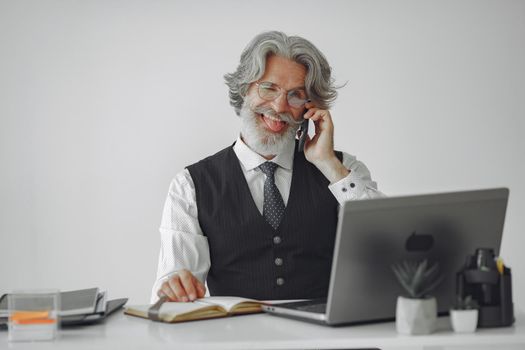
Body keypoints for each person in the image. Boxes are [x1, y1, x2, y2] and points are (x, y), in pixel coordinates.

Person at [151, 31, 384, 304]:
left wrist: (329, 164)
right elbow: (170, 294)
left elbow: (387, 246)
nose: (279, 106)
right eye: (269, 88)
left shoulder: (342, 170)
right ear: (244, 88)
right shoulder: (190, 185)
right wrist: (176, 288)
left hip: (327, 341)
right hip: (239, 340)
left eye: (296, 95)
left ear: (310, 108)